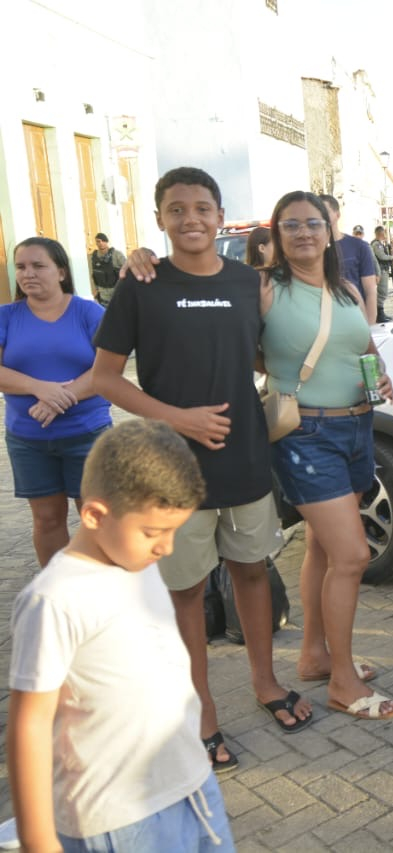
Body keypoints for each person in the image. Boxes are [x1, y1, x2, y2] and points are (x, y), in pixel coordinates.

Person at [93, 167, 311, 774]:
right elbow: (105, 378)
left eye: (201, 208)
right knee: (185, 592)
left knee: (251, 573)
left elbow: (269, 350)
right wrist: (178, 419)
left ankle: (265, 683)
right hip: (172, 470)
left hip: (245, 459)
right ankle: (201, 711)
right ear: (159, 218)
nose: (190, 218)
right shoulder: (141, 284)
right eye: (176, 209)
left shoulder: (248, 282)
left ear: (220, 217)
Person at [6, 419, 234, 852]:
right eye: (153, 533)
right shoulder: (54, 600)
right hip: (117, 818)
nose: (166, 547)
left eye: (174, 531)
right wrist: (39, 839)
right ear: (94, 515)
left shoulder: (138, 561)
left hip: (191, 786)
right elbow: (29, 724)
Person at [260, 190, 393, 720]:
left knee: (322, 546)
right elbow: (239, 344)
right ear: (277, 234)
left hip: (358, 426)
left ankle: (315, 655)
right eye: (291, 224)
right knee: (353, 556)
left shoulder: (345, 289)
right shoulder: (265, 288)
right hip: (306, 432)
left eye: (312, 223)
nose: (303, 232)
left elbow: (363, 347)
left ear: (330, 230)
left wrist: (379, 375)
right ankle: (342, 682)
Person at [0, 237, 111, 566]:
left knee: (97, 519)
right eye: (21, 267)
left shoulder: (89, 312)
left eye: (38, 265)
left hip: (88, 434)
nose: (28, 273)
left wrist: (58, 398)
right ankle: (57, 586)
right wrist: (39, 388)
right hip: (28, 440)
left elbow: (108, 368)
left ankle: (102, 587)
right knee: (47, 519)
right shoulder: (7, 316)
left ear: (61, 272)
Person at [318, 194, 377, 324]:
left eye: (325, 211)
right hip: (322, 321)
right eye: (317, 212)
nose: (321, 216)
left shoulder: (359, 247)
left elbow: (370, 291)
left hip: (355, 318)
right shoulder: (312, 250)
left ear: (337, 215)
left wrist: (370, 325)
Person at [88, 233, 126, 305]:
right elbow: (92, 274)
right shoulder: (94, 256)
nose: (101, 243)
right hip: (102, 292)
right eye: (98, 241)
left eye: (103, 241)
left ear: (106, 241)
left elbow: (127, 270)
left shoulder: (116, 254)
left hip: (116, 291)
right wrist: (94, 289)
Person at [371, 225, 393, 323]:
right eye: (384, 233)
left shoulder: (379, 244)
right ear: (380, 233)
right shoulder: (376, 244)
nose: (385, 235)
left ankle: (381, 313)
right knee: (382, 292)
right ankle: (379, 314)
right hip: (381, 271)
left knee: (383, 292)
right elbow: (382, 256)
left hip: (383, 270)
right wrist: (392, 257)